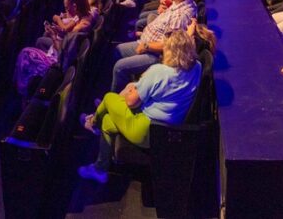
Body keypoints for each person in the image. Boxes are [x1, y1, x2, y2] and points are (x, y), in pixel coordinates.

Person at [79, 31, 201, 183]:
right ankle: (100, 169)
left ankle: (92, 123)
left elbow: (132, 102)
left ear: (170, 51)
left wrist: (131, 90)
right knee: (109, 122)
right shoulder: (197, 67)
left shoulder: (159, 72)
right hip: (168, 130)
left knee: (109, 98)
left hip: (145, 130)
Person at [111, 0, 196, 92]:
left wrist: (146, 46)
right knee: (117, 50)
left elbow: (169, 45)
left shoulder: (180, 16)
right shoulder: (180, 4)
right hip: (147, 42)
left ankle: (115, 98)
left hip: (155, 54)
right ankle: (127, 86)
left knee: (119, 67)